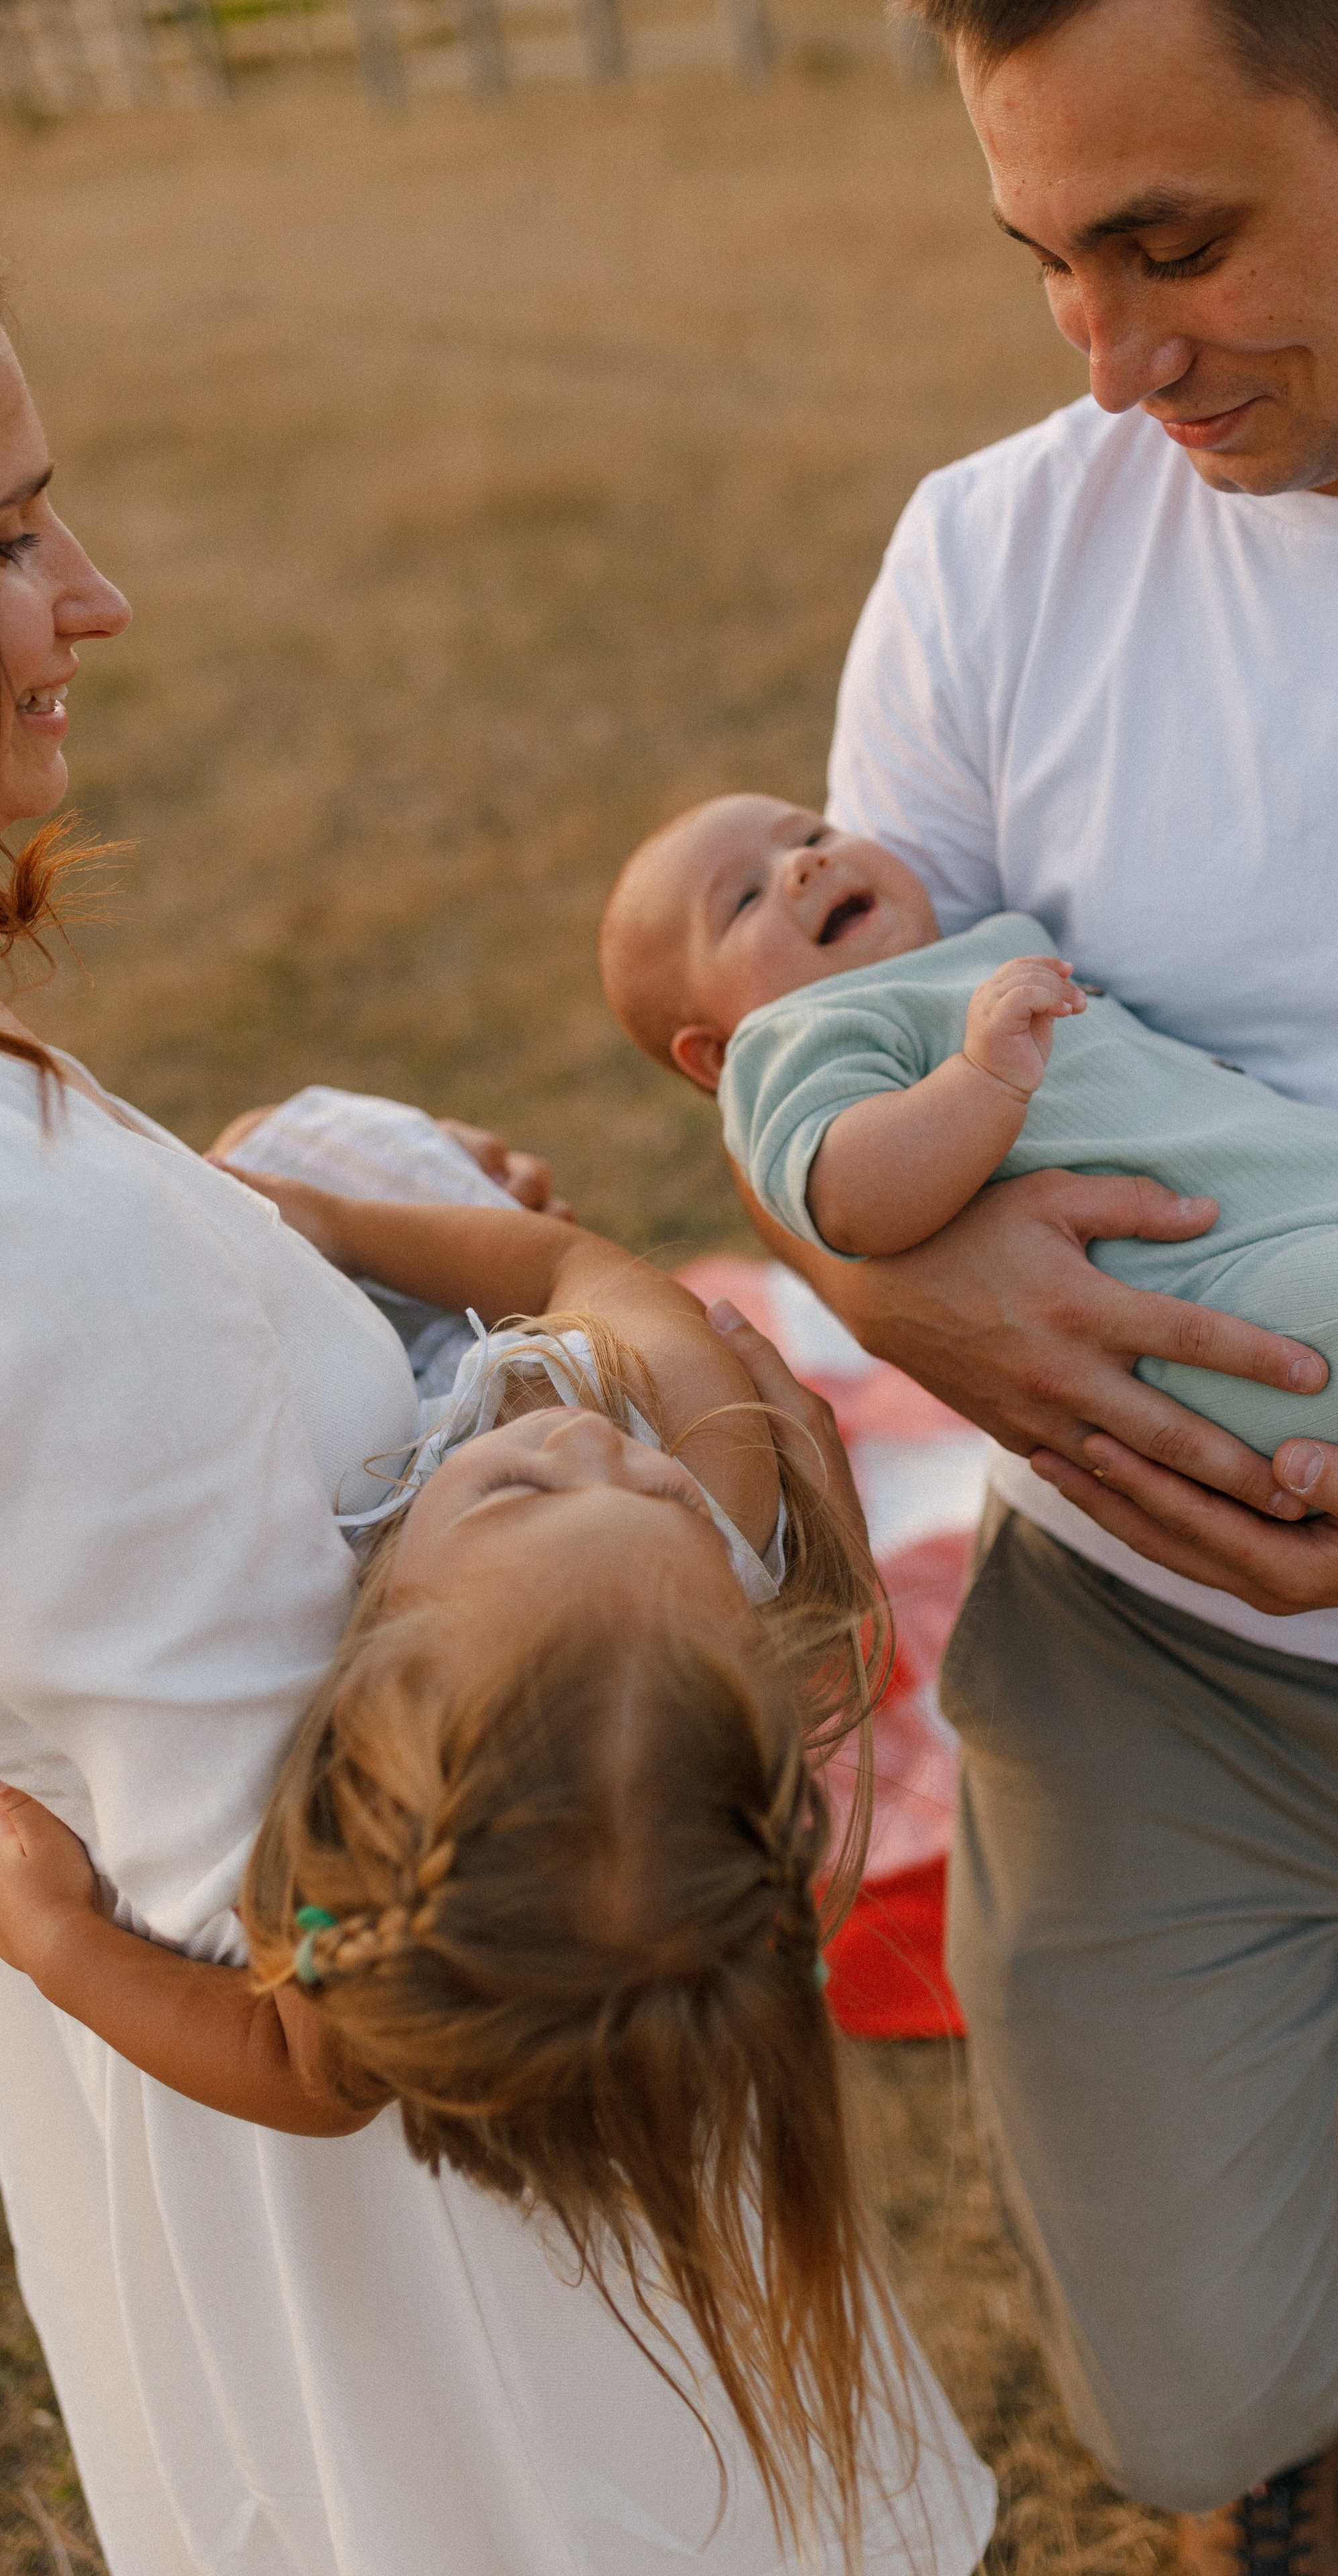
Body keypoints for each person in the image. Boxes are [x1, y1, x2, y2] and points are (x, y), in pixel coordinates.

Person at [692, 1, 1338, 2567]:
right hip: (1136, 1669)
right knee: (1189, 2426)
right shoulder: (992, 550)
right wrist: (967, 1329)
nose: (1115, 359)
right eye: (1046, 259)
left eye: (1178, 242)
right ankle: (1262, 2441)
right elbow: (838, 1106)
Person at [0, 330, 997, 2574]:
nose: (98, 589)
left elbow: (607, 1328)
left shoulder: (558, 1595)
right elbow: (310, 2046)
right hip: (441, 2332)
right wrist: (373, 1230)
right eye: (3, 531)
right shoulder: (516, 1542)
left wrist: (322, 1225)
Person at [604, 786, 1338, 1474]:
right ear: (710, 1052)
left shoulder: (958, 957)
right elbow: (848, 1196)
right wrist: (984, 1078)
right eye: (743, 901)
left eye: (810, 831)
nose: (803, 863)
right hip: (1238, 1303)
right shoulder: (804, 1039)